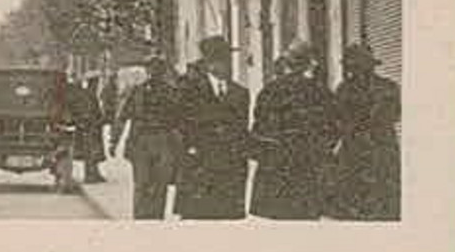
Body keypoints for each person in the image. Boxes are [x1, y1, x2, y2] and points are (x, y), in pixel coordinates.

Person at [249, 42, 335, 220]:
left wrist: (265, 155)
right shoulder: (320, 91)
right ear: (307, 64)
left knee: (280, 221)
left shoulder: (270, 90)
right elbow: (333, 129)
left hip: (277, 169)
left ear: (286, 64)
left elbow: (259, 130)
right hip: (310, 168)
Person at [174, 36, 251, 220]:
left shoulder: (240, 93)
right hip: (200, 172)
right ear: (208, 63)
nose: (226, 64)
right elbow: (181, 128)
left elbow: (242, 131)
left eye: (227, 59)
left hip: (230, 176)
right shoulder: (190, 91)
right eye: (219, 59)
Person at [329, 43, 400, 221]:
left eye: (353, 67)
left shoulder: (344, 89)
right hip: (382, 151)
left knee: (355, 206)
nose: (352, 71)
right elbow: (395, 115)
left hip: (356, 152)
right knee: (384, 203)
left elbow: (336, 122)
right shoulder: (389, 87)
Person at [115, 53, 183, 220]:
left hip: (162, 141)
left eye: (157, 69)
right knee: (142, 183)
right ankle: (141, 218)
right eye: (151, 68)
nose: (154, 72)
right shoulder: (138, 92)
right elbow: (123, 117)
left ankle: (154, 218)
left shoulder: (170, 92)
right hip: (142, 142)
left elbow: (179, 120)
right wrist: (113, 140)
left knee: (159, 184)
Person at [73, 74, 108, 184]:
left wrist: (101, 119)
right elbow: (86, 113)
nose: (97, 85)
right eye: (95, 82)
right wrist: (95, 121)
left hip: (94, 127)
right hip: (89, 128)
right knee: (89, 153)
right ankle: (89, 175)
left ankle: (95, 173)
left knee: (95, 152)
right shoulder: (87, 95)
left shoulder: (91, 94)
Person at [98, 72, 120, 152]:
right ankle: (111, 136)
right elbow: (102, 96)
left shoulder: (113, 87)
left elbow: (101, 96)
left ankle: (111, 136)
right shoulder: (110, 87)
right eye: (115, 78)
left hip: (110, 107)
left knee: (112, 122)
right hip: (109, 107)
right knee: (111, 121)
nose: (116, 80)